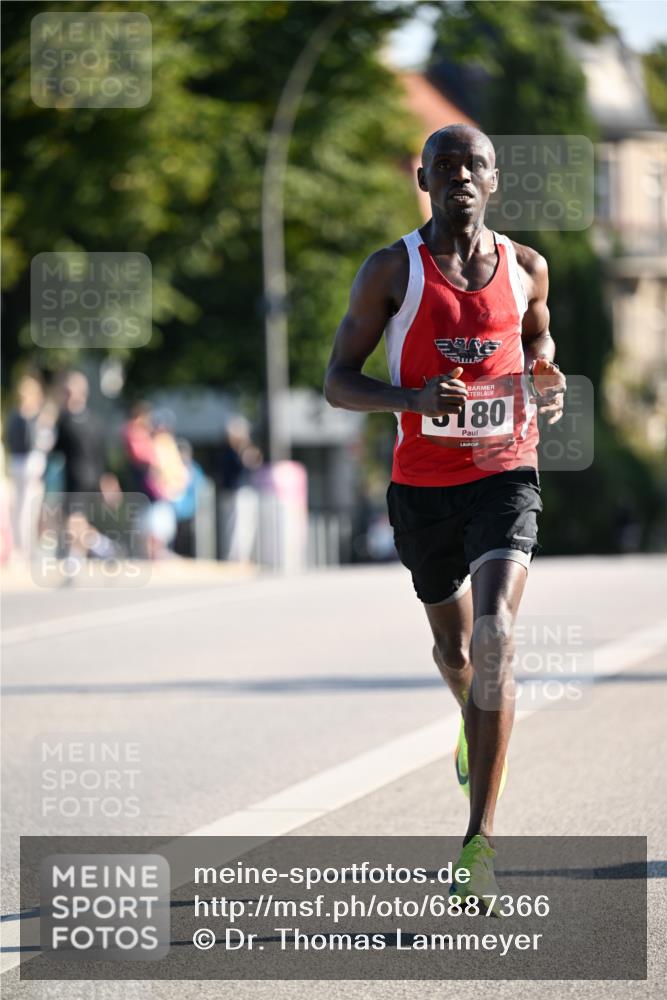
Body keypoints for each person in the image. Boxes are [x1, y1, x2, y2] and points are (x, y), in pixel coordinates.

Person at [324, 124, 566, 910]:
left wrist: (543, 373)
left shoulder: (527, 267)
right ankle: (471, 714)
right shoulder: (391, 269)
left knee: (495, 634)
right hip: (421, 484)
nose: (461, 176)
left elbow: (536, 338)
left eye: (475, 165)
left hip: (504, 468)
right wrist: (411, 400)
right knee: (456, 647)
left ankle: (477, 844)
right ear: (424, 180)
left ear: (495, 180)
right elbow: (336, 381)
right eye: (446, 166)